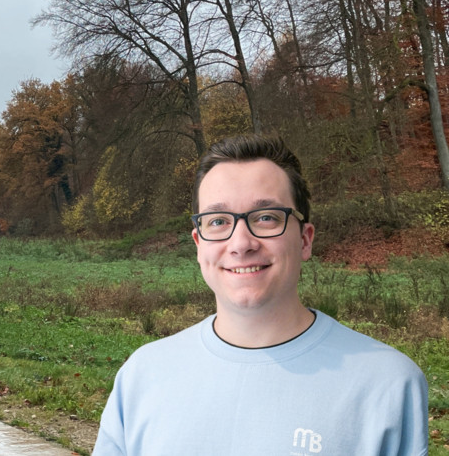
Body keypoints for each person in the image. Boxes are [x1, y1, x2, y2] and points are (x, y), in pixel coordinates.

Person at [92, 134, 429, 456]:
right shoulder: (142, 376)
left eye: (266, 217)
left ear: (305, 240)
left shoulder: (387, 384)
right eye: (218, 221)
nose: (241, 244)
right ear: (198, 244)